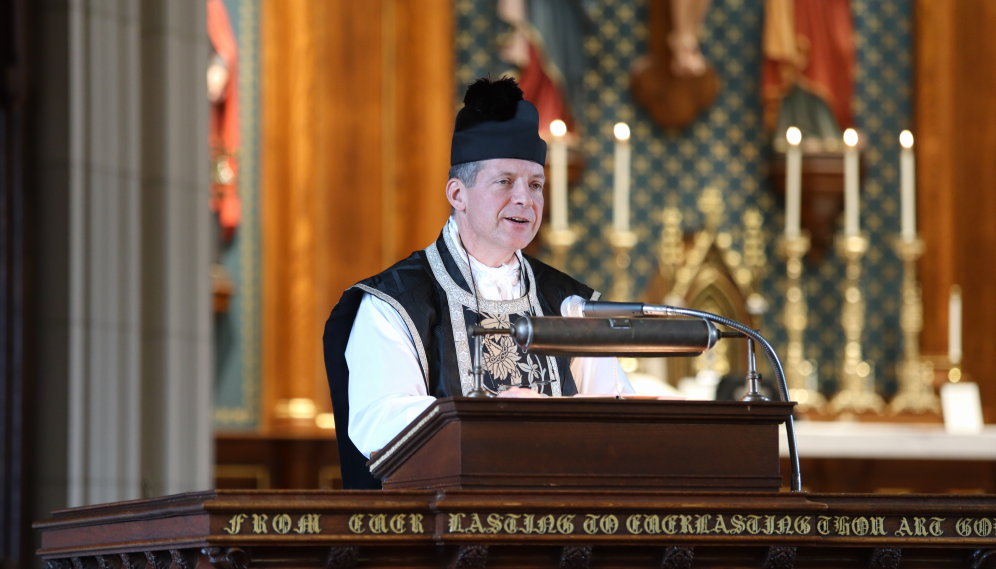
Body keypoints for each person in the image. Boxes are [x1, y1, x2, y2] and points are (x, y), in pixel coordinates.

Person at [323, 76, 634, 489]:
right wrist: (494, 420)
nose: (526, 199)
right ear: (457, 193)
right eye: (505, 182)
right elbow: (378, 425)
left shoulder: (568, 304)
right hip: (442, 539)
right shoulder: (395, 303)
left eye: (536, 184)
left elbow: (620, 418)